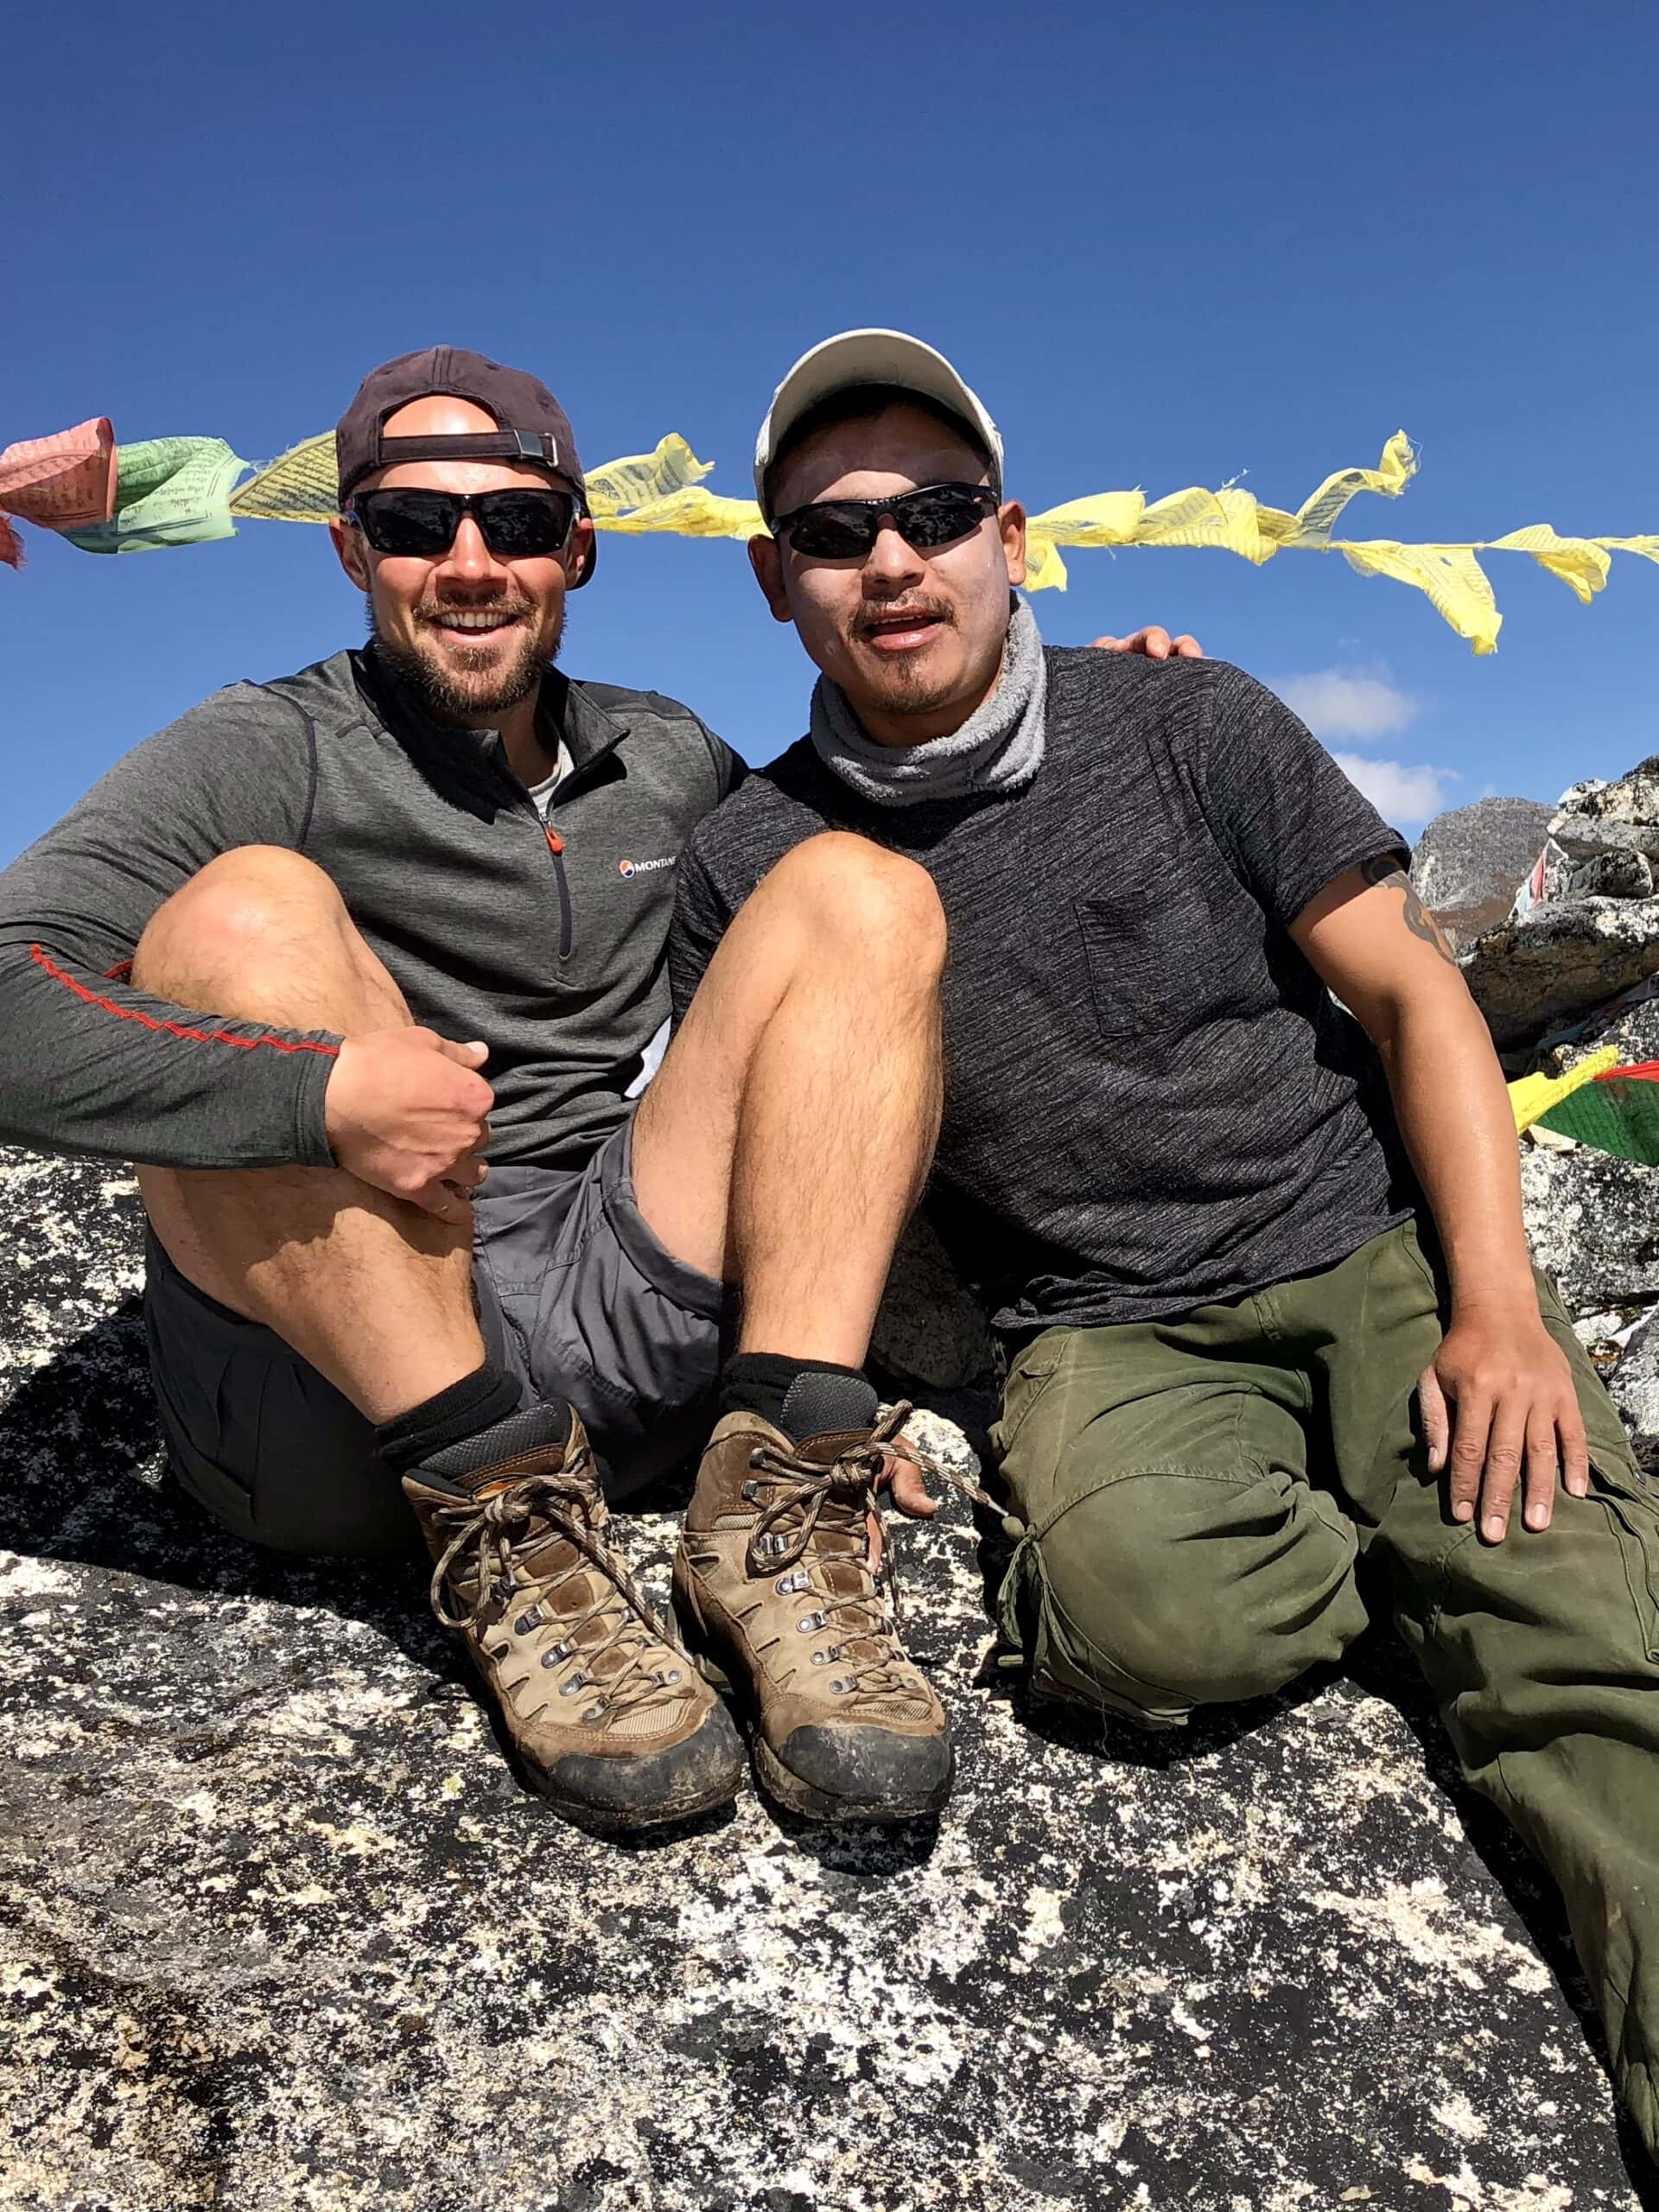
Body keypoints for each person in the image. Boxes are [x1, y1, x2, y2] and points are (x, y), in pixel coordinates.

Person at [668, 328, 1659, 2157]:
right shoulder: (753, 859)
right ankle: (1402, 1532)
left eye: (938, 511)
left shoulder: (1189, 717)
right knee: (1125, 1628)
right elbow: (776, 1152)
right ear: (772, 578)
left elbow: (1418, 997)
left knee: (1578, 1627)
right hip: (1104, 1326)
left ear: (1016, 536)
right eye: (833, 531)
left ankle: (1488, 1569)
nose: (892, 560)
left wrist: (1501, 1310)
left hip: (1366, 1246)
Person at [0, 344, 1189, 1839]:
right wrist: (317, 1095)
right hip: (348, 1394)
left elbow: (884, 892)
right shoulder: (266, 746)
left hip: (620, 1323)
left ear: (579, 545)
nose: (469, 564)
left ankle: (780, 1493)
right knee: (241, 910)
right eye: (418, 525)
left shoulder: (664, 754)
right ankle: (499, 1520)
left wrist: (1094, 726)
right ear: (351, 547)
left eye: (512, 521)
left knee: (854, 893)